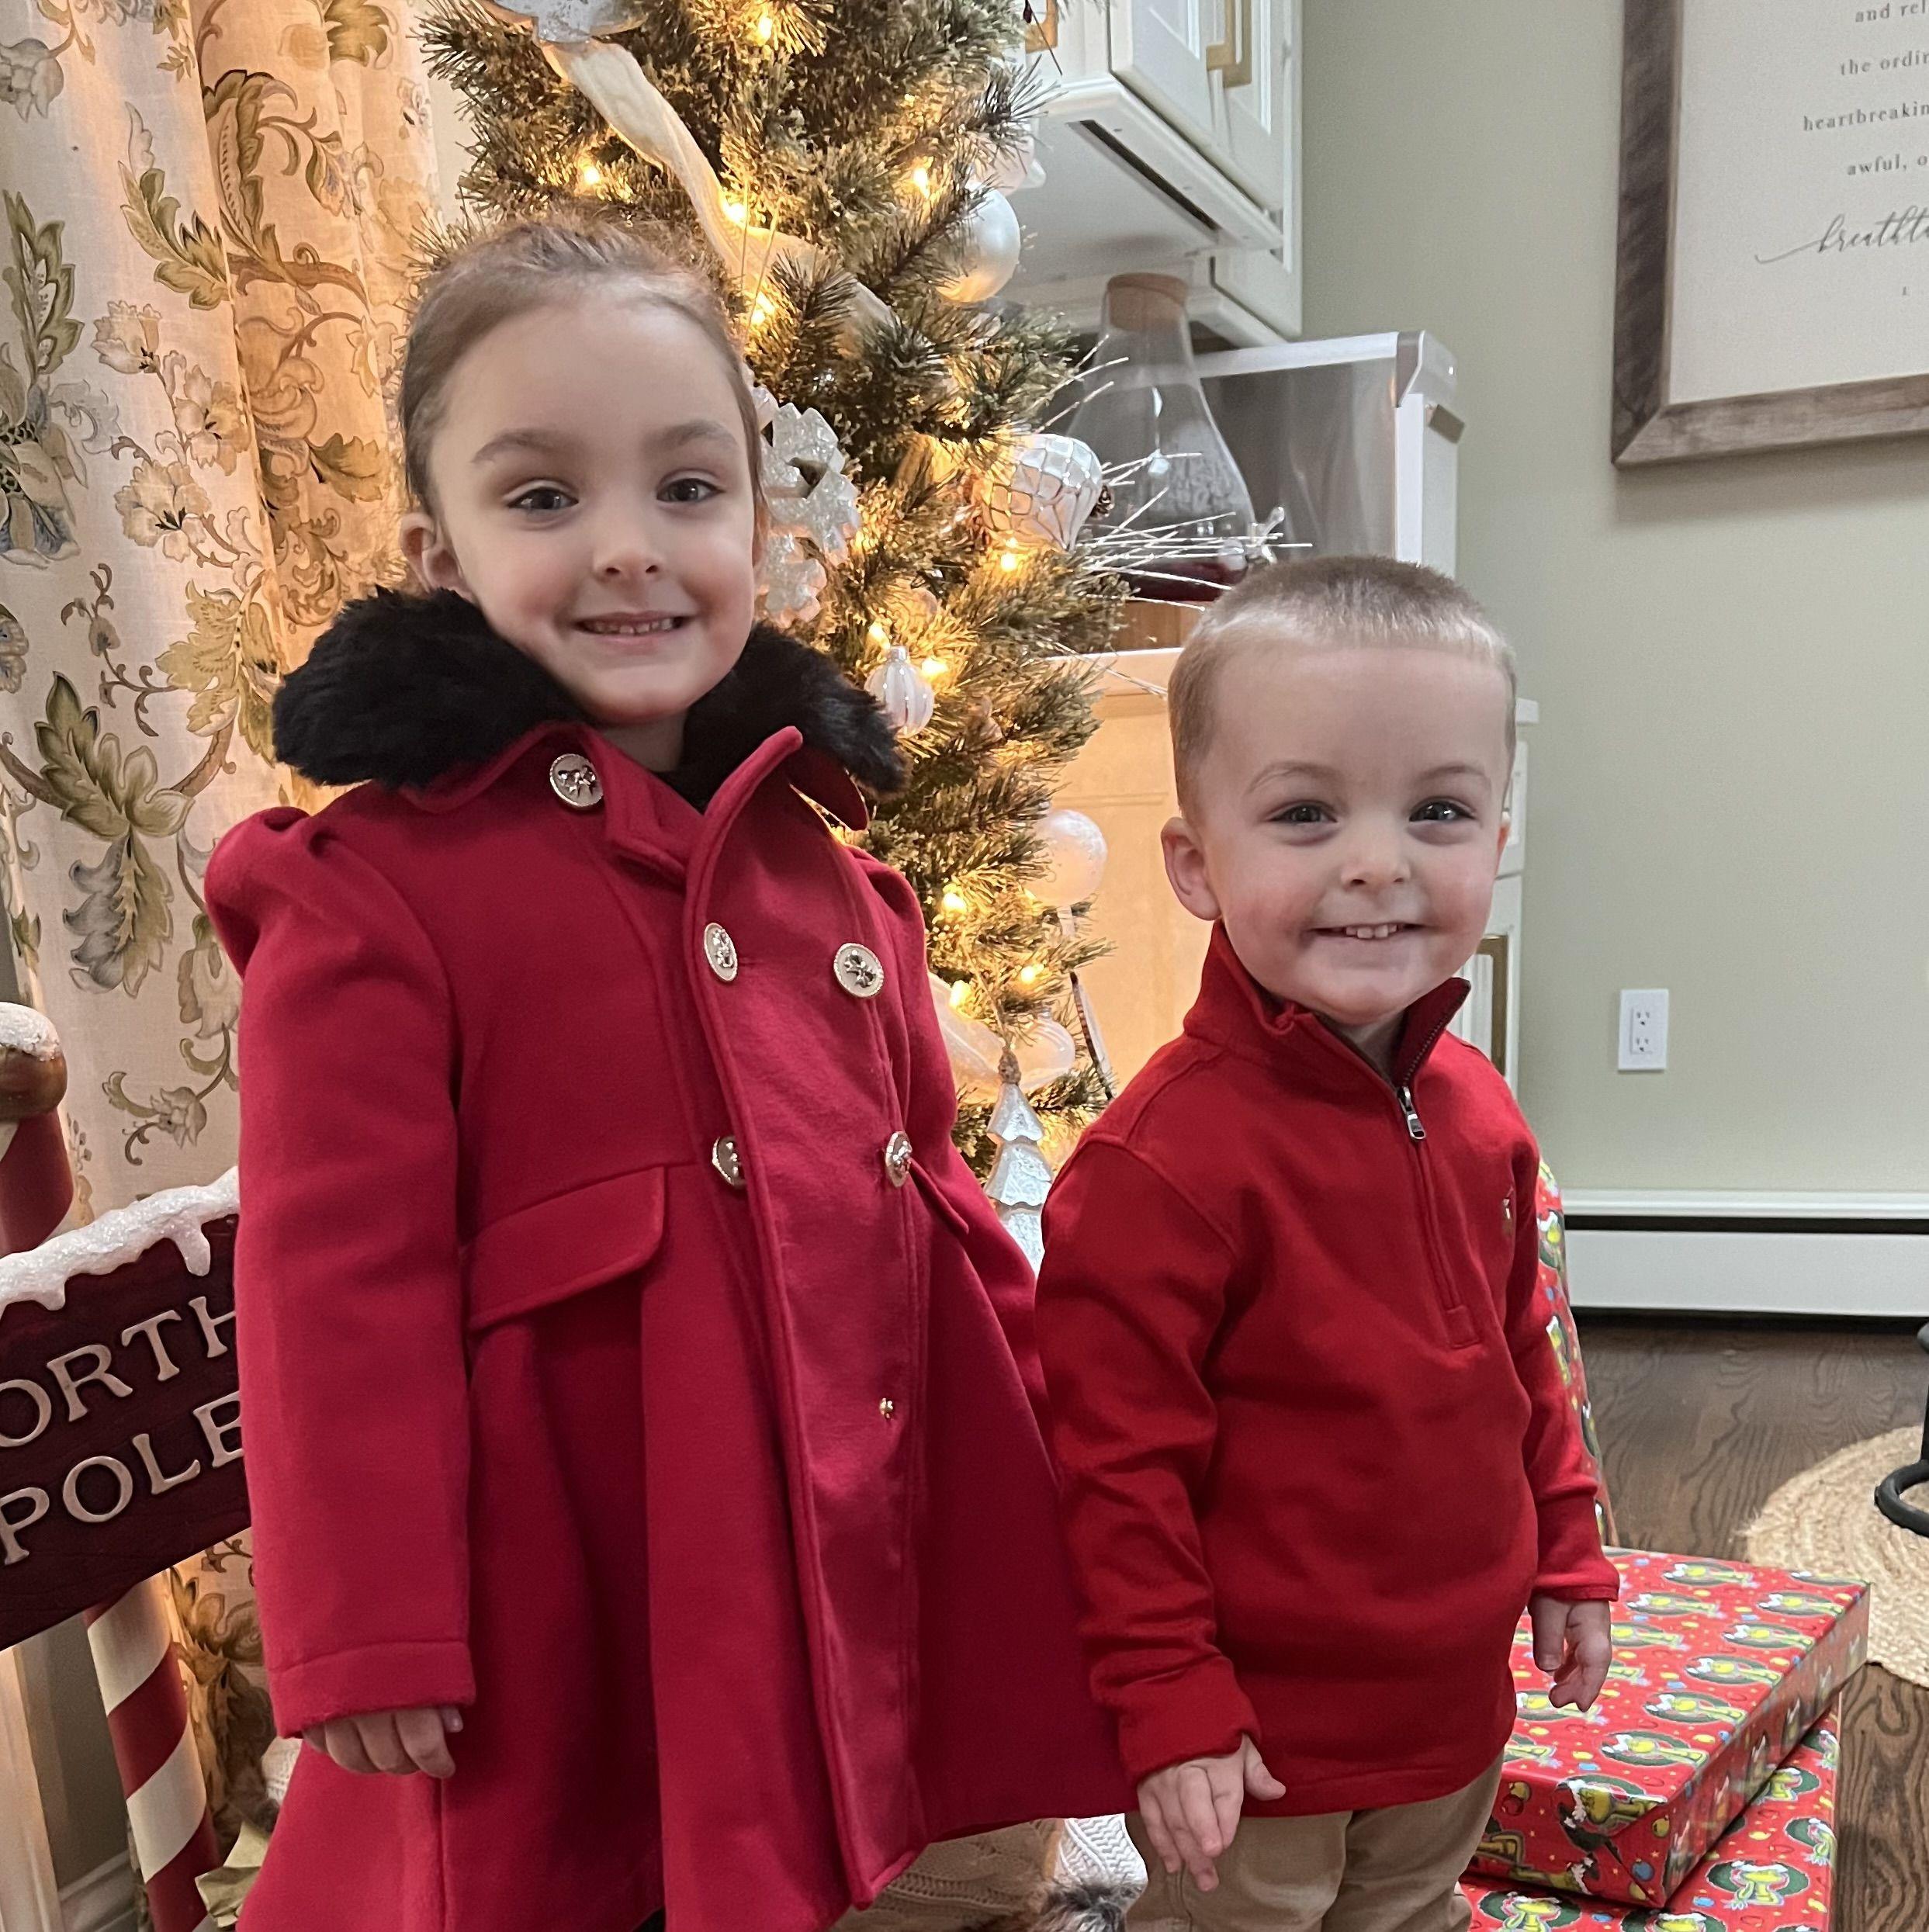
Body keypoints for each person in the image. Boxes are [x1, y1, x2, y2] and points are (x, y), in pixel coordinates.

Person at [206, 216, 1127, 1932]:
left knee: (794, 1857)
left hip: (796, 1551)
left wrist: (1060, 1483)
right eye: (544, 496)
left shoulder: (832, 881)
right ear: (439, 553)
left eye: (687, 488)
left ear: (759, 532)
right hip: (553, 1587)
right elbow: (335, 1287)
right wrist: (366, 1623)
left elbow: (933, 1216)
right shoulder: (375, 894)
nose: (629, 546)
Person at [1033, 557, 1619, 1932]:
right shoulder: (1155, 1167)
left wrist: (1566, 1550)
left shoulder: (1481, 1112)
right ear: (1196, 863)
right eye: (1304, 812)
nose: (1376, 862)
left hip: (1449, 1705)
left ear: (1495, 835)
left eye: (1436, 810)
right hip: (1255, 1740)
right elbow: (1115, 1471)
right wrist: (1167, 1696)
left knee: (1412, 1908)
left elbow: (1524, 1359)